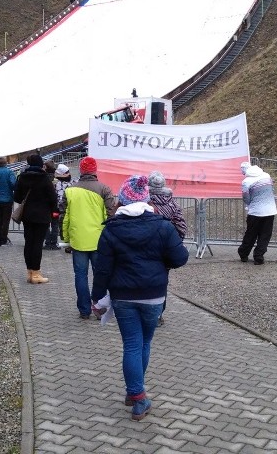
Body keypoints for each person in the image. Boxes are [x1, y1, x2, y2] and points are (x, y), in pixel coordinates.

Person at [91, 175, 189, 421]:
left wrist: (96, 297)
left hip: (123, 296)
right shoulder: (163, 227)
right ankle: (137, 395)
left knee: (132, 345)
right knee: (144, 343)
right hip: (154, 295)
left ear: (122, 201)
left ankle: (135, 393)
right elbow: (180, 258)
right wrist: (159, 262)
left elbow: (102, 268)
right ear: (146, 199)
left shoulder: (111, 228)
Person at [62, 156, 116, 318]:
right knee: (100, 275)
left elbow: (64, 216)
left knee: (80, 275)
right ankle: (99, 308)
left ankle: (84, 310)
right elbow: (111, 215)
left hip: (78, 239)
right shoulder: (104, 189)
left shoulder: (70, 190)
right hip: (99, 240)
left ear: (81, 170)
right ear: (95, 170)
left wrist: (66, 238)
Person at [147, 170, 188, 326]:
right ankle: (158, 314)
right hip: (165, 248)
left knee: (145, 277)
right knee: (162, 281)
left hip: (147, 246)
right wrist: (175, 242)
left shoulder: (145, 202)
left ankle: (145, 311)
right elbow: (181, 226)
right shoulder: (172, 203)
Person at [13, 154, 58, 284]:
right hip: (42, 216)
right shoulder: (44, 178)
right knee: (37, 244)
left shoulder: (22, 177)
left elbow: (16, 197)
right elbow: (53, 198)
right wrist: (53, 210)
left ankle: (29, 272)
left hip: (27, 215)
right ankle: (36, 274)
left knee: (29, 243)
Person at [237, 162, 277, 265]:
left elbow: (246, 197)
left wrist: (250, 204)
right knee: (265, 235)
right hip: (270, 211)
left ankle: (243, 254)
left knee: (250, 234)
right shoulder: (266, 175)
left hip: (255, 211)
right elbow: (272, 189)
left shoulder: (246, 181)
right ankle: (259, 256)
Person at [0, 157, 16, 246]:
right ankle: (4, 239)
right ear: (6, 163)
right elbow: (13, 184)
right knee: (6, 221)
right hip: (7, 199)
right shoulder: (10, 172)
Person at [53, 163, 73, 249]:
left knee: (63, 226)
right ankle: (67, 242)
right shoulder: (71, 183)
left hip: (61, 209)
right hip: (66, 209)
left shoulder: (56, 183)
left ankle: (66, 242)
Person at [43, 160, 61, 250]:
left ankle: (47, 242)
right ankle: (54, 243)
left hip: (45, 206)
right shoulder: (57, 179)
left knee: (46, 224)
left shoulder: (43, 179)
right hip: (55, 207)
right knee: (55, 224)